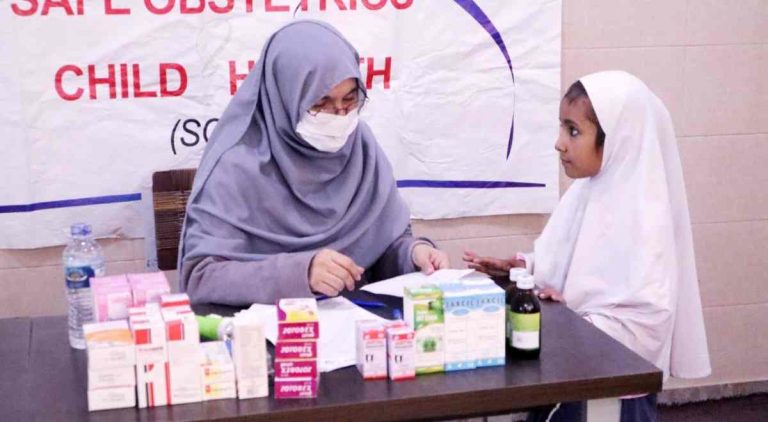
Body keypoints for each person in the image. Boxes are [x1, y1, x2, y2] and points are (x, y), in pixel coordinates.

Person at [464, 71, 711, 421]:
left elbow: (644, 324)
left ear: (616, 138)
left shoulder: (645, 217)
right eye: (562, 128)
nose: (559, 143)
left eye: (574, 131)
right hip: (569, 377)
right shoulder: (589, 190)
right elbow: (571, 262)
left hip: (611, 397)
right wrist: (523, 267)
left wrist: (574, 319)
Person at [179, 20, 449, 306]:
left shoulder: (360, 146)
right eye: (320, 103)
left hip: (359, 322)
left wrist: (413, 255)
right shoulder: (237, 164)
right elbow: (201, 277)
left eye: (350, 99)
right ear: (285, 97)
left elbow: (382, 247)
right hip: (265, 328)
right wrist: (300, 273)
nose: (339, 115)